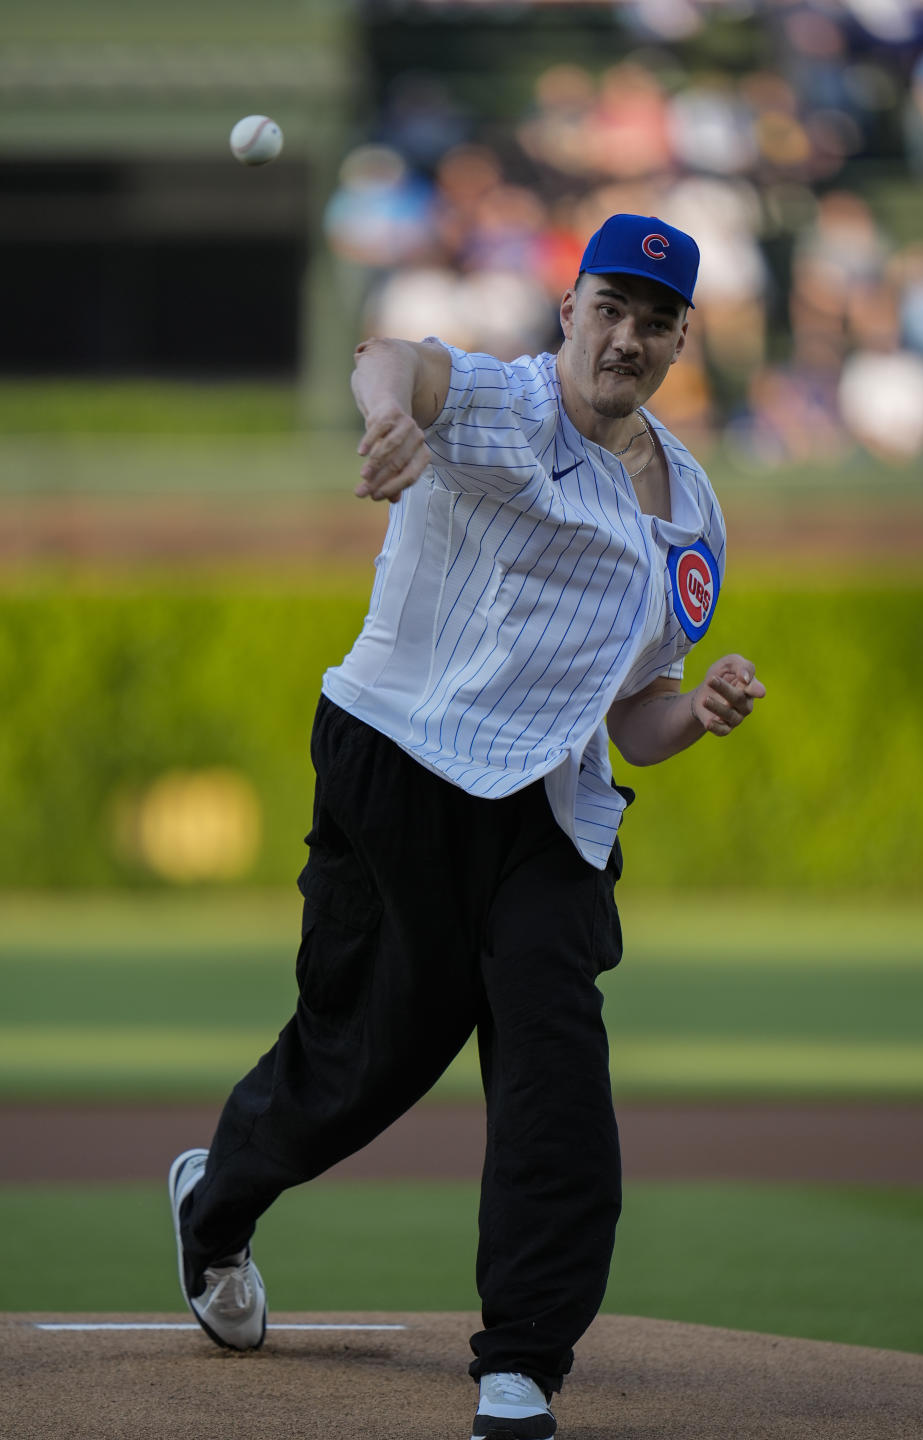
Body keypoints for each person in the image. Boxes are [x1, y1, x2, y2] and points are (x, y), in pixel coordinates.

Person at [169, 212, 765, 1440]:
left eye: (655, 321)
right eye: (610, 306)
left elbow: (633, 713)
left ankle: (524, 1361)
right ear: (571, 309)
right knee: (369, 1053)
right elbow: (394, 356)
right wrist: (387, 414)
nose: (628, 336)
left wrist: (693, 711)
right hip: (399, 763)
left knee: (554, 1050)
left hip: (548, 809)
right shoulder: (502, 407)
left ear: (680, 340)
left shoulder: (691, 513)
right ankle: (214, 1205)